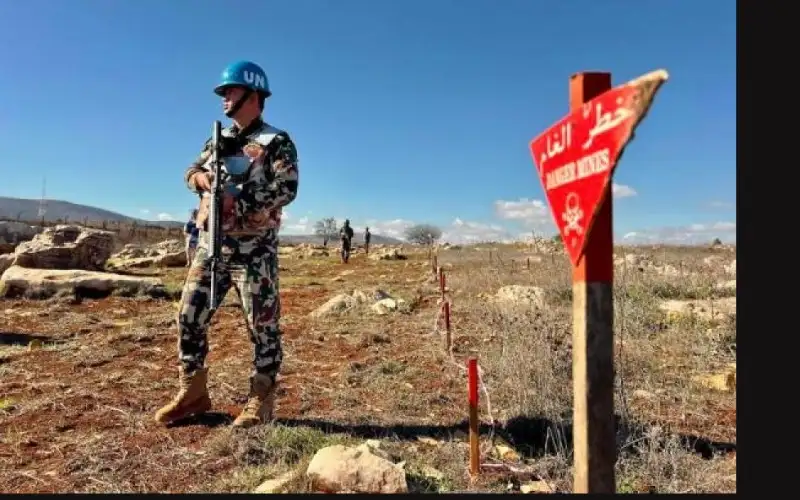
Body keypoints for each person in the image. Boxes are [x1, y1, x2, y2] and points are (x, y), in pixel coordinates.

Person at [154, 60, 299, 428]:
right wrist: (199, 178)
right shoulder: (217, 140)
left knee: (262, 327)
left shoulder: (276, 142)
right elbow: (190, 169)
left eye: (230, 91)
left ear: (253, 95)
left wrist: (239, 201)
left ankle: (261, 399)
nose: (224, 98)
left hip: (254, 251)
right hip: (211, 245)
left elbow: (287, 188)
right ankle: (193, 392)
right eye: (223, 92)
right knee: (188, 316)